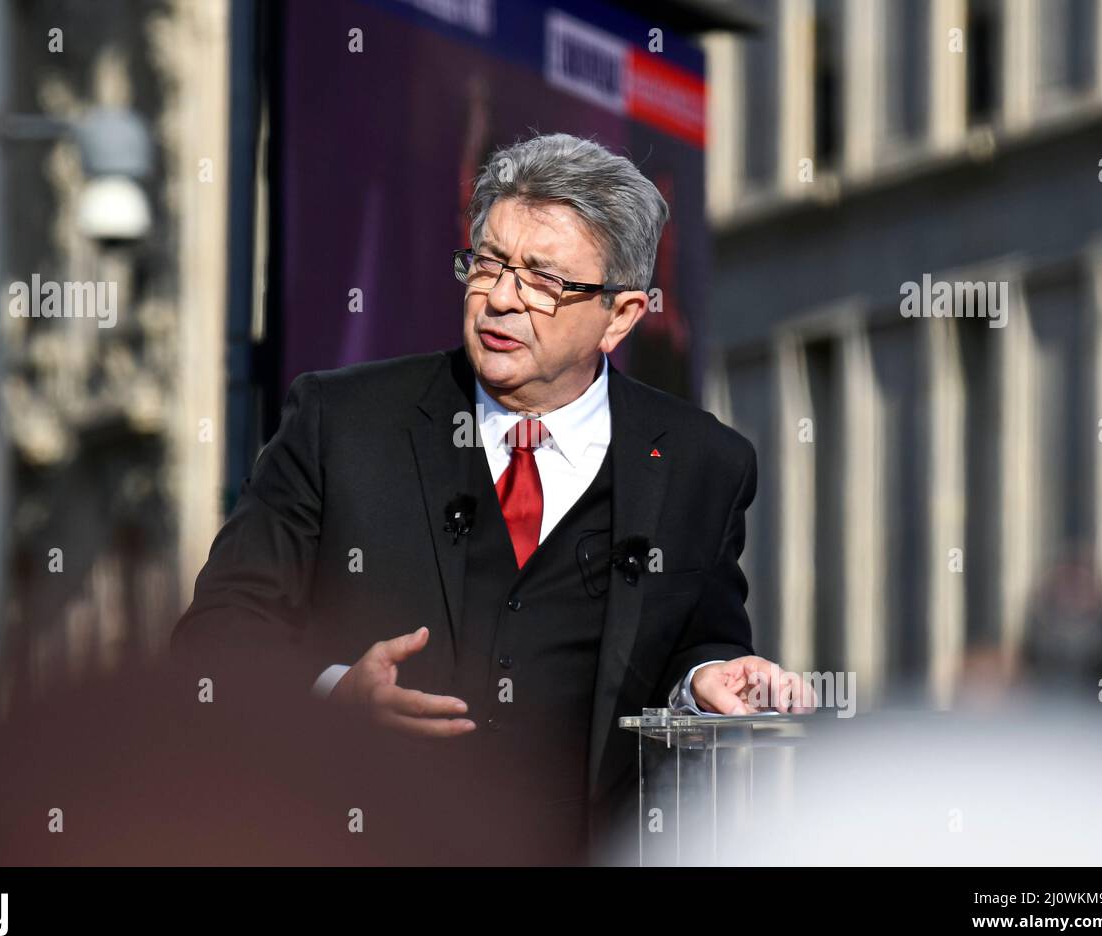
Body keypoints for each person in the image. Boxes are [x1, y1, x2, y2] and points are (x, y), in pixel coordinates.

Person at [174, 133, 813, 861]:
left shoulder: (702, 464)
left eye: (544, 280)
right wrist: (334, 695)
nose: (501, 299)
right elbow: (217, 634)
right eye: (487, 263)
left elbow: (699, 638)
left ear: (622, 315)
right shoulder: (341, 423)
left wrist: (707, 679)